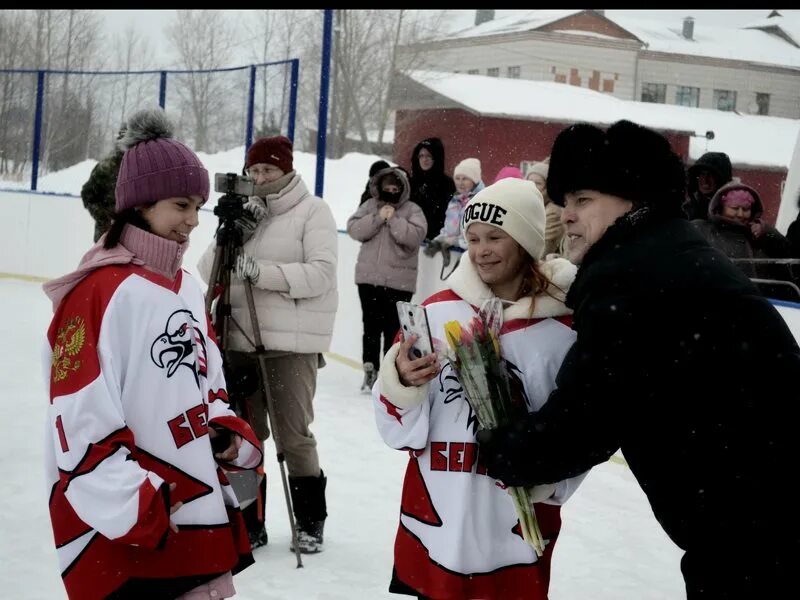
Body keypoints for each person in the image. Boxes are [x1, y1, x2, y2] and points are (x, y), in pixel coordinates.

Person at [477, 120, 800, 599]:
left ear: (632, 199)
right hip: (760, 520)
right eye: (564, 201)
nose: (566, 215)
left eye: (583, 200)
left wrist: (506, 450)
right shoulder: (667, 253)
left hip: (760, 530)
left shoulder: (633, 276)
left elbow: (591, 413)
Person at [42, 108, 263, 600]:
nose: (191, 221)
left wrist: (224, 429)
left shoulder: (186, 283)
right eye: (180, 205)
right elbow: (78, 422)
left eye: (198, 208)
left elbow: (209, 383)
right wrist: (141, 503)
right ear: (139, 205)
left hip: (194, 516)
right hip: (137, 530)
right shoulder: (96, 293)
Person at [374, 177, 585, 599]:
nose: (481, 250)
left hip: (512, 521)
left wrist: (545, 479)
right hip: (441, 509)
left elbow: (578, 426)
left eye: (495, 237)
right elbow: (395, 427)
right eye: (472, 238)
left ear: (525, 241)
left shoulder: (564, 326)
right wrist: (400, 382)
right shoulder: (436, 311)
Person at [198, 135, 339, 554]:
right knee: (245, 439)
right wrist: (231, 232)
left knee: (293, 437)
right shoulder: (246, 214)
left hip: (289, 348)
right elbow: (207, 271)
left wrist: (261, 272)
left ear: (287, 170)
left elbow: (320, 275)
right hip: (238, 340)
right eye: (253, 170)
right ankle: (248, 518)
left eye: (268, 171)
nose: (259, 178)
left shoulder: (313, 212)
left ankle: (310, 521)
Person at [346, 166, 427, 394]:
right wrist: (377, 218)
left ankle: (389, 374)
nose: (390, 189)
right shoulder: (370, 206)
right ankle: (369, 368)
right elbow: (354, 229)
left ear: (402, 188)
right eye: (387, 185)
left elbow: (413, 237)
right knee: (370, 327)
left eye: (395, 185)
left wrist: (394, 220)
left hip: (398, 283)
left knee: (392, 330)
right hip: (368, 280)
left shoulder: (413, 210)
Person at [691, 181, 796, 299]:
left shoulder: (759, 233)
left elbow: (788, 254)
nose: (740, 214)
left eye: (746, 209)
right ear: (721, 207)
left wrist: (768, 232)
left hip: (762, 304)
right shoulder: (703, 229)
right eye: (734, 208)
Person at [426, 157, 485, 254]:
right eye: (457, 178)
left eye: (465, 179)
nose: (460, 183)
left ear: (474, 181)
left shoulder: (480, 202)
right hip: (454, 256)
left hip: (473, 257)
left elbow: (479, 237)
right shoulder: (454, 202)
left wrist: (456, 242)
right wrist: (438, 241)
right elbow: (448, 231)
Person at [80, 123, 127, 242]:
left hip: (133, 237)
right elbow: (88, 195)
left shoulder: (141, 168)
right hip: (106, 236)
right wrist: (103, 217)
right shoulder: (106, 167)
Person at [409, 137, 456, 241]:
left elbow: (449, 216)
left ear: (436, 158)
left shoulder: (447, 184)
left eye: (429, 156)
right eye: (421, 156)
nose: (424, 159)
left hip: (434, 242)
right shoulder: (410, 182)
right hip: (410, 238)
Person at [682, 151, 733, 221]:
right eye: (702, 174)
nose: (705, 180)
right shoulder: (686, 210)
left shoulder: (737, 211)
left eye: (711, 175)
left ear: (721, 179)